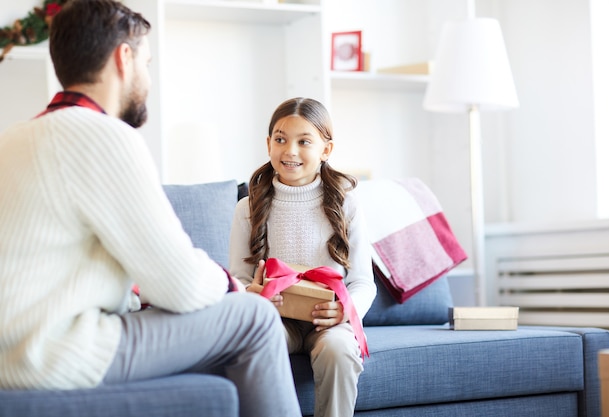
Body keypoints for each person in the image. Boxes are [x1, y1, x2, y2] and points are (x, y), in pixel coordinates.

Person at [0, 1, 302, 416]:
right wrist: (232, 285)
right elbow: (181, 285)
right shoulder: (103, 136)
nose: (149, 77)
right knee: (255, 318)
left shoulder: (14, 137)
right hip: (52, 355)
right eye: (147, 61)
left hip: (11, 354)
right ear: (124, 58)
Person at [229, 97, 377, 417]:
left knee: (338, 349)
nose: (290, 151)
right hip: (276, 319)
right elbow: (237, 281)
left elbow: (363, 281)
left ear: (326, 150)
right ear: (268, 144)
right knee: (253, 343)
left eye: (304, 141)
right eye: (280, 140)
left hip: (328, 320)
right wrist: (254, 297)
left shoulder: (346, 205)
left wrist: (345, 312)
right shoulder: (247, 208)